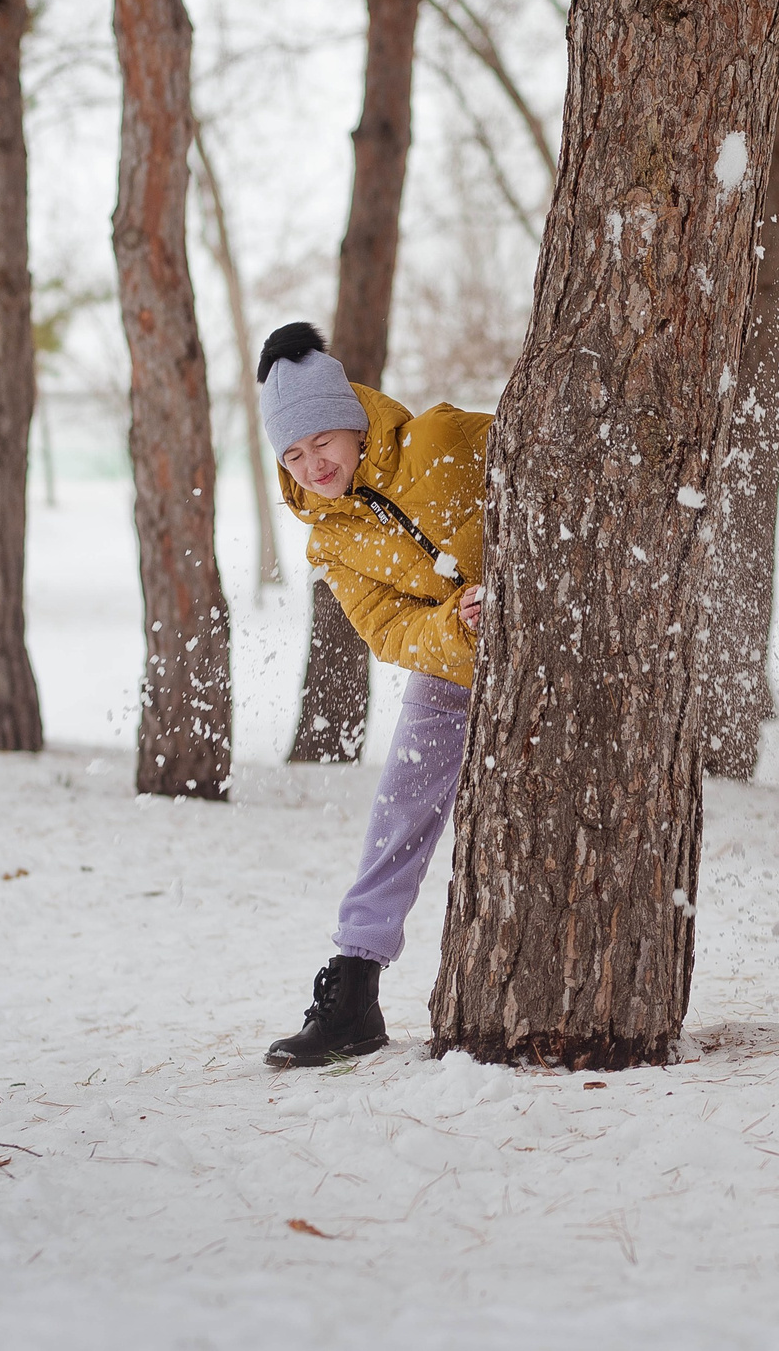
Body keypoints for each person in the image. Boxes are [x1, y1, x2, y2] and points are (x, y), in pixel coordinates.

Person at [253, 322, 490, 1067]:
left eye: (321, 440)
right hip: (455, 663)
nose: (312, 465)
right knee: (399, 810)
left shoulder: (443, 439)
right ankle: (355, 987)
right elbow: (388, 630)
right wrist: (455, 627)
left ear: (354, 422)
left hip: (559, 645)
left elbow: (550, 465)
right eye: (293, 454)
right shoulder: (329, 539)